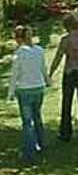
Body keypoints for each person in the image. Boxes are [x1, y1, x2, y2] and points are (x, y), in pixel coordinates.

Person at [49, 13, 78, 146]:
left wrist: (51, 73)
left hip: (70, 73)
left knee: (67, 103)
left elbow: (58, 57)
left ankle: (65, 133)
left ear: (67, 26)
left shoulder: (66, 40)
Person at [7, 25, 50, 163]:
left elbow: (15, 75)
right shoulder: (39, 50)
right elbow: (43, 68)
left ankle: (29, 151)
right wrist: (47, 81)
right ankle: (41, 144)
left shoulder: (20, 53)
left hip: (25, 90)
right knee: (37, 117)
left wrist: (11, 93)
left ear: (19, 39)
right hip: (38, 88)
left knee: (27, 122)